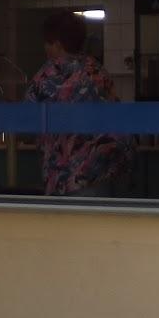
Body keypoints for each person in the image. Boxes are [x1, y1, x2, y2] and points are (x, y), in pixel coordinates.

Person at [25, 10, 133, 196]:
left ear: (57, 45)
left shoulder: (47, 74)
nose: (45, 48)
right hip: (100, 173)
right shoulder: (97, 71)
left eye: (47, 43)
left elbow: (25, 117)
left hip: (62, 177)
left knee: (65, 224)